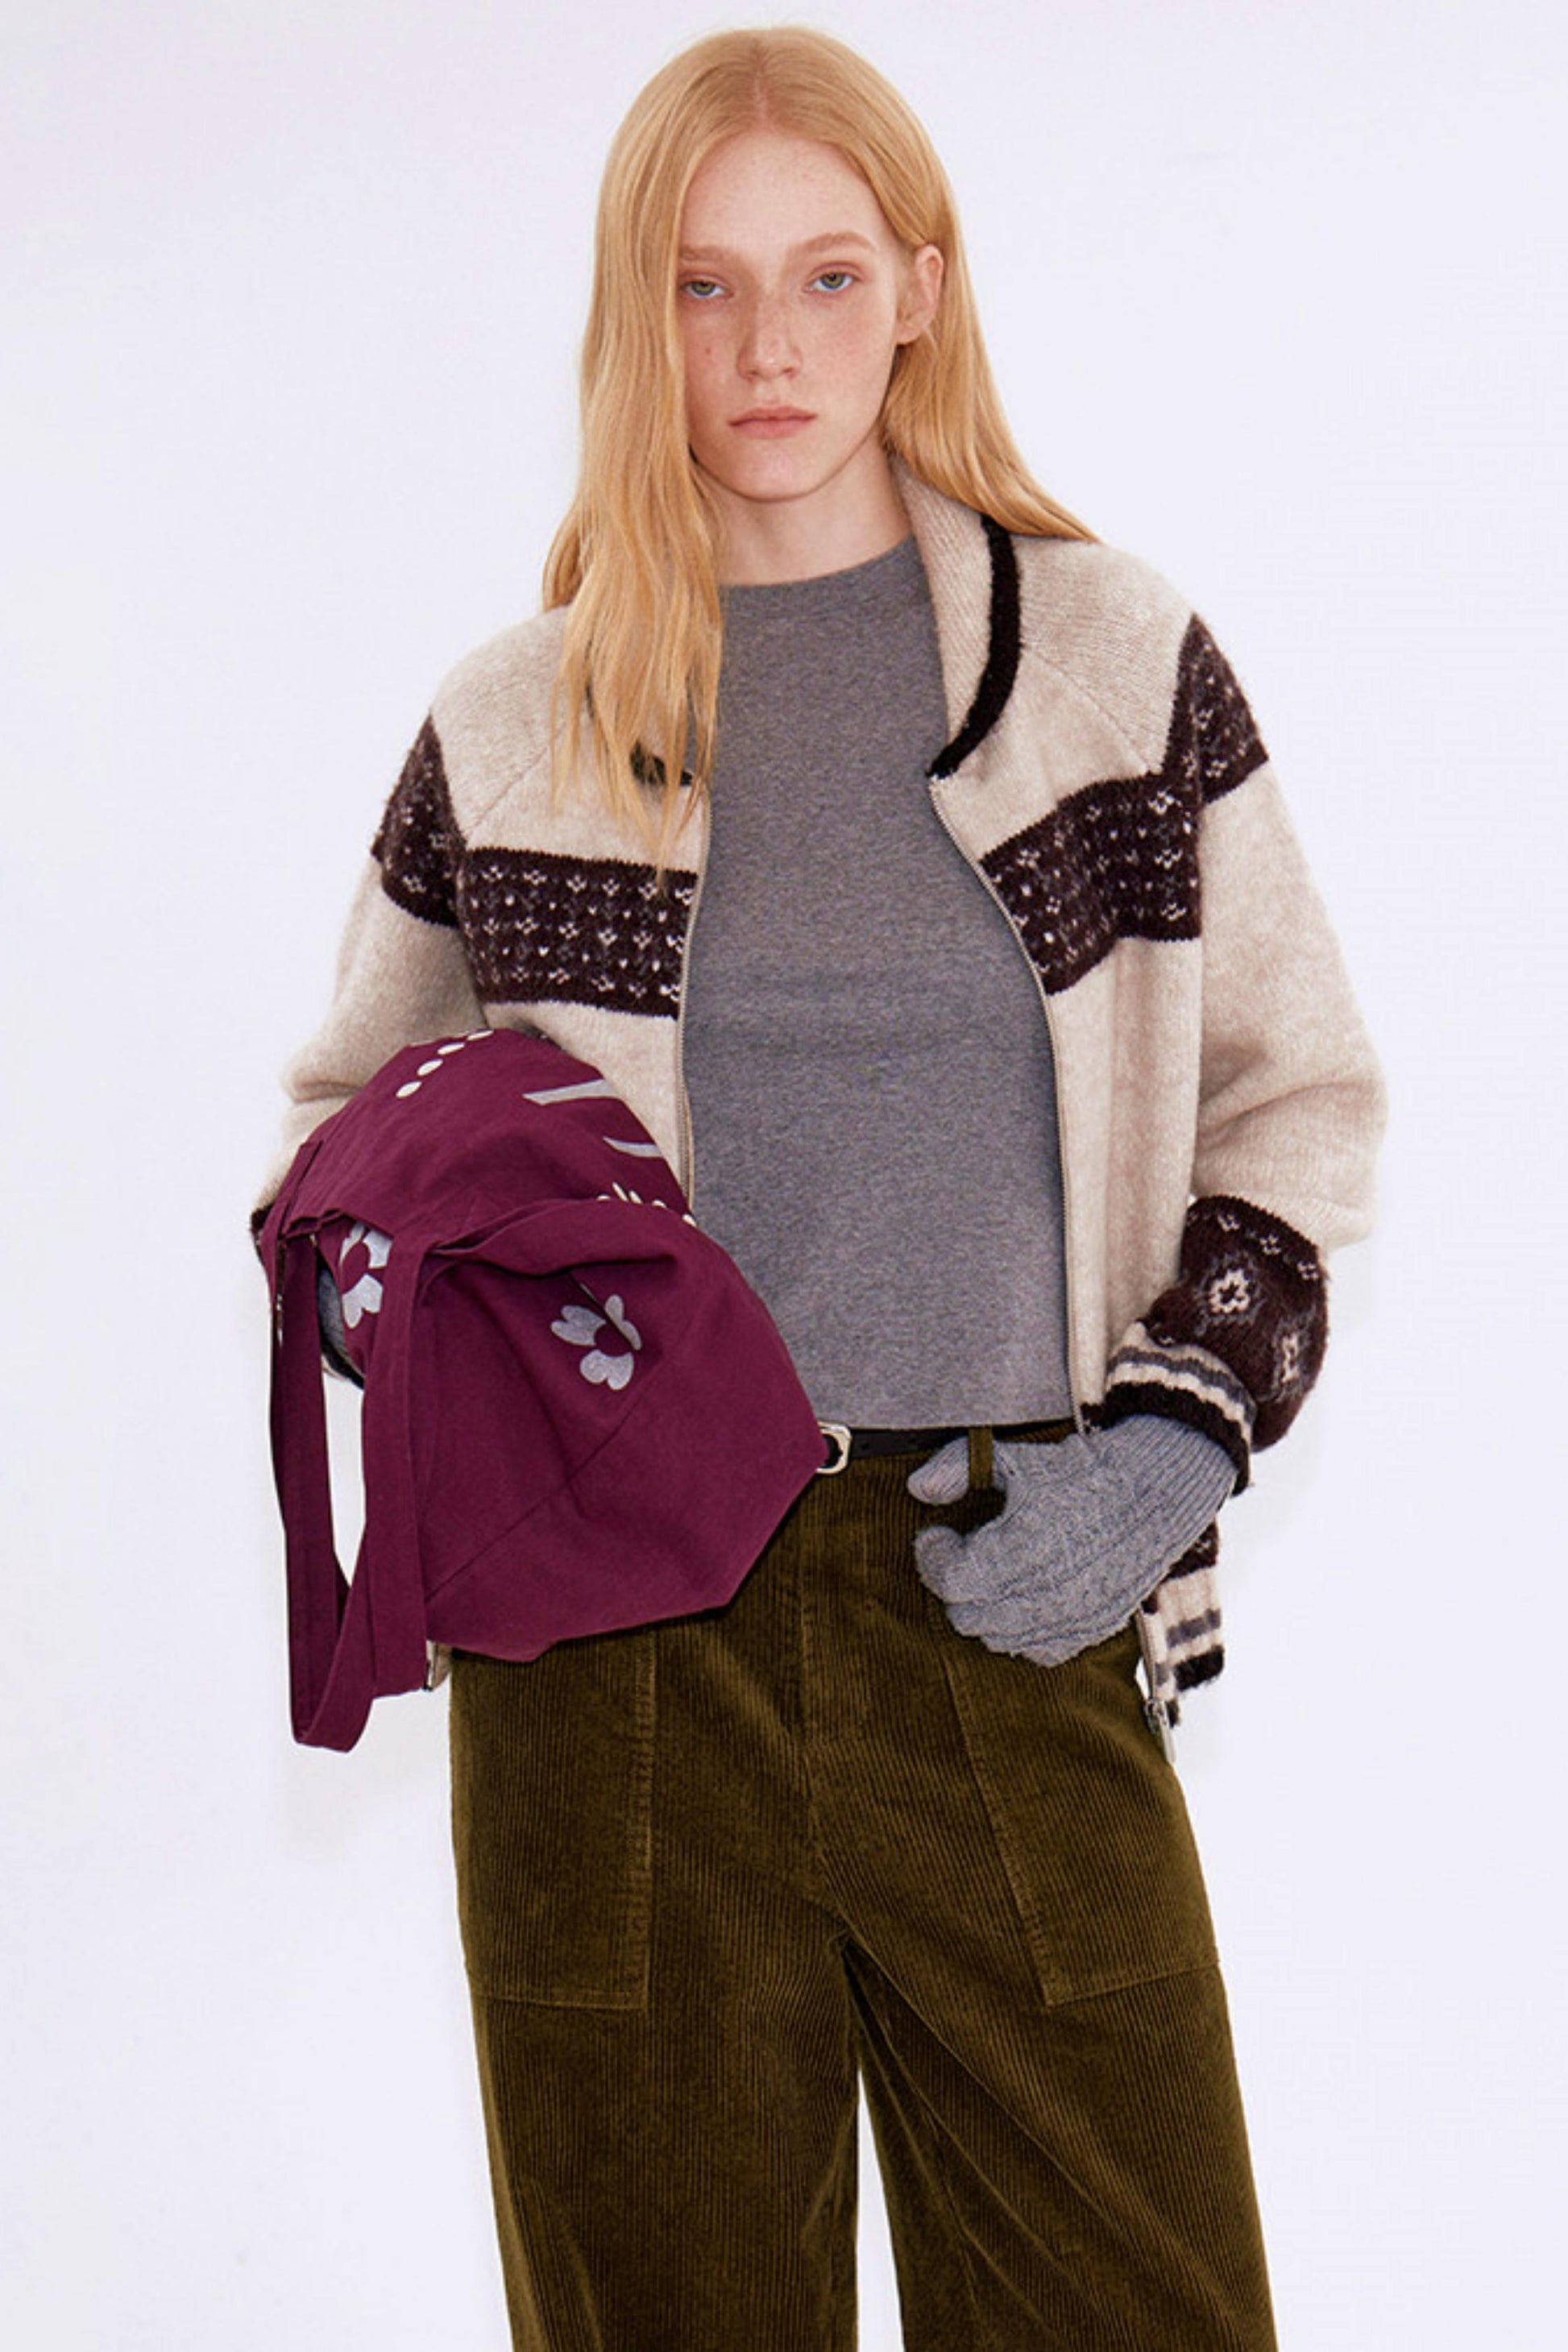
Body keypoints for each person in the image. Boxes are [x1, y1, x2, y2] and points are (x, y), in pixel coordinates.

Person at [252, 23, 1385, 2348]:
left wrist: (1170, 1446)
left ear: (921, 293)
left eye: (825, 275)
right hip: (609, 1658)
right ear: (630, 316)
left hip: (1004, 1585)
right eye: (700, 286)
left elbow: (1299, 1100)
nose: (765, 347)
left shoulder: (1107, 665)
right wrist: (451, 1338)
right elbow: (338, 1150)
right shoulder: (516, 722)